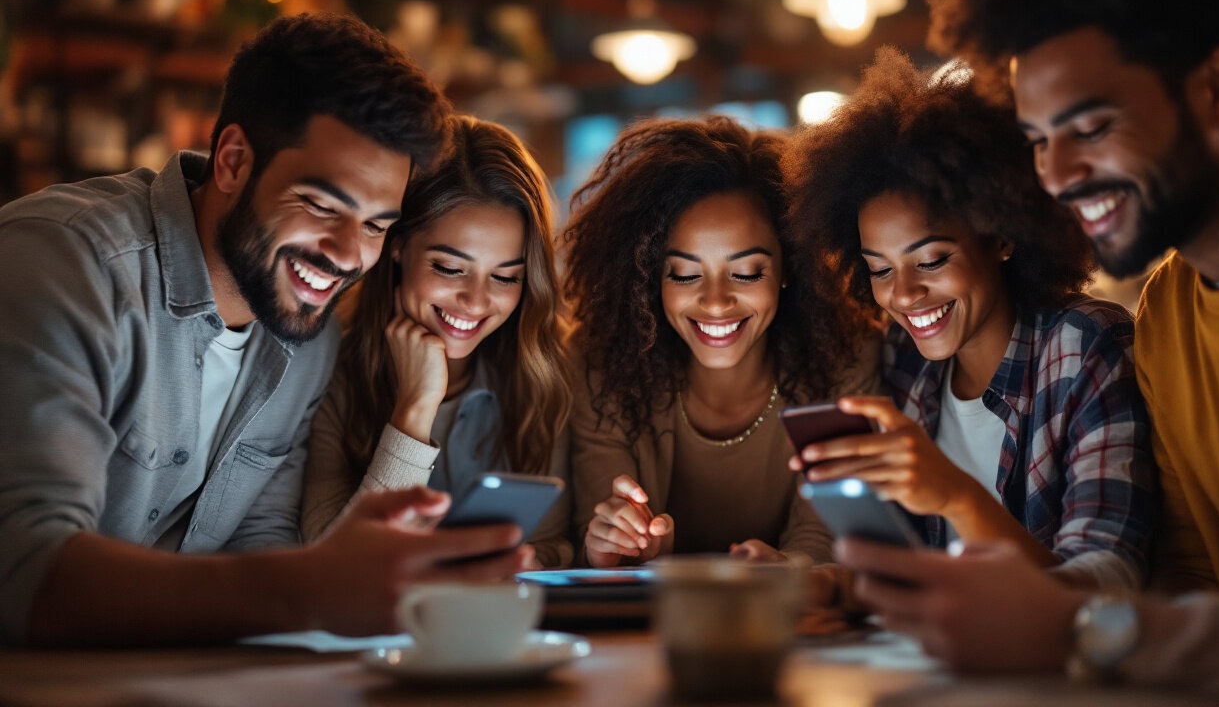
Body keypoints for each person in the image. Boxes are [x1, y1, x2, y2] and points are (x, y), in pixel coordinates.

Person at [835, 0, 1219, 698]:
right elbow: (1182, 584)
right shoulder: (1170, 309)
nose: (1055, 177)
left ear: (1218, 84)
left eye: (1092, 127)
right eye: (1040, 142)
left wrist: (1075, 630)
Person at [0, 13, 529, 646]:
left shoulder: (304, 334)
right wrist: (310, 588)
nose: (346, 254)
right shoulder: (65, 262)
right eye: (321, 205)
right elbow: (24, 571)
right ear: (233, 160)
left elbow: (260, 544)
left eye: (375, 225)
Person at [784, 48, 1156, 589]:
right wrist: (830, 584)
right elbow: (908, 572)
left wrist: (954, 495)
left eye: (932, 260)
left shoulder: (1087, 346)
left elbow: (1109, 580)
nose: (906, 294)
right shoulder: (904, 360)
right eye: (880, 270)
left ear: (1002, 234)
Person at [562, 116, 875, 568]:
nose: (715, 302)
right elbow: (600, 535)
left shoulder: (848, 357)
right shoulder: (598, 365)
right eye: (686, 274)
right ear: (653, 278)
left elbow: (825, 534)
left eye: (747, 272)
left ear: (789, 269)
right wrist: (618, 544)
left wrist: (788, 567)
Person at [301, 116, 573, 567]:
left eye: (506, 277)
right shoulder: (326, 367)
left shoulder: (544, 371)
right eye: (449, 268)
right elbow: (336, 564)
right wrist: (415, 409)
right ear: (397, 245)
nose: (475, 301)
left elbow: (554, 547)